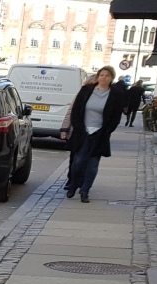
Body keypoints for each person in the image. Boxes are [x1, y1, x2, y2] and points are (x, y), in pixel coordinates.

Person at [60, 66, 127, 203]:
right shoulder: (87, 91)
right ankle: (73, 185)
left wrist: (107, 130)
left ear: (111, 78)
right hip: (83, 132)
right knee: (78, 162)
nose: (103, 78)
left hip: (99, 133)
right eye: (101, 75)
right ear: (98, 77)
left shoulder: (115, 94)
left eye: (107, 76)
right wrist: (77, 127)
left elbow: (116, 115)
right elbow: (76, 109)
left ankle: (85, 191)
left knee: (92, 164)